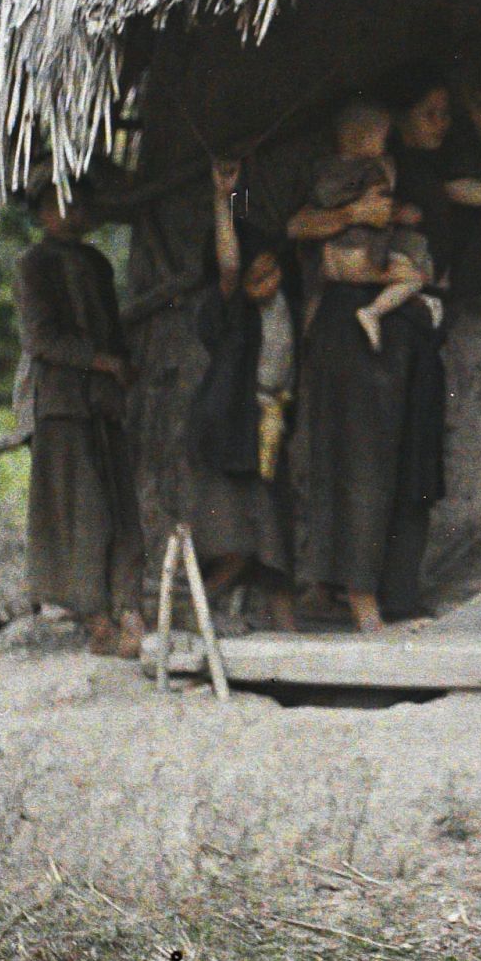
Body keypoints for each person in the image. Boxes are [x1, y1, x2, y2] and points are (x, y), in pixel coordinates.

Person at [285, 100, 445, 631]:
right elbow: (293, 230)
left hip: (394, 340)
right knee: (360, 466)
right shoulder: (323, 184)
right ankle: (358, 597)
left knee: (396, 468)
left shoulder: (389, 176)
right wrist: (354, 218)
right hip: (349, 335)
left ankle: (374, 593)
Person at [14, 170, 146, 657]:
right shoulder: (33, 264)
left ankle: (126, 606)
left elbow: (112, 330)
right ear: (41, 212)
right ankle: (96, 618)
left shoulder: (96, 264)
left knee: (118, 507)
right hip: (63, 406)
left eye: (79, 203)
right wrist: (103, 362)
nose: (73, 213)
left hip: (103, 405)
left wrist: (119, 368)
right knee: (79, 510)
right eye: (60, 203)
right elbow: (41, 339)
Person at [184, 157, 298, 629]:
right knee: (238, 543)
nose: (269, 283)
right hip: (230, 433)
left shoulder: (284, 301)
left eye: (272, 272)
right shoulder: (229, 308)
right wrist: (222, 200)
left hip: (267, 429)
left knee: (273, 543)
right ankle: (193, 614)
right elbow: (230, 264)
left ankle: (288, 629)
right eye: (257, 279)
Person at [375, 59, 481, 309]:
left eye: (445, 114)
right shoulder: (400, 171)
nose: (440, 123)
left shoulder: (434, 168)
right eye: (429, 114)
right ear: (401, 118)